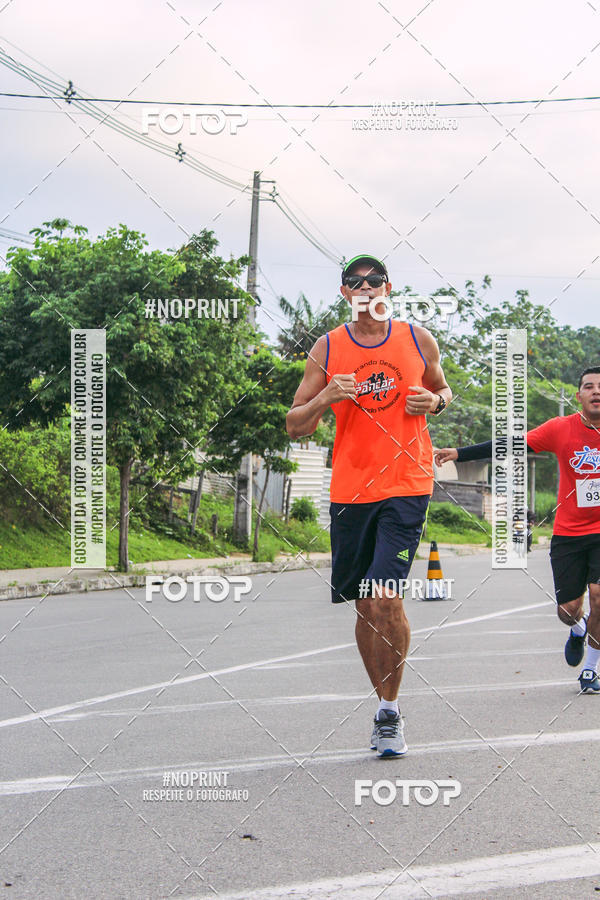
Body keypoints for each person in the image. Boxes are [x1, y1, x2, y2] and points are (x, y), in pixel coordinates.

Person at [286, 254, 452, 756]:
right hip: (352, 492)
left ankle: (389, 713)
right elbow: (295, 424)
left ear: (388, 287)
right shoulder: (328, 347)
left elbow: (443, 389)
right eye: (355, 282)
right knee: (364, 604)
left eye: (373, 280)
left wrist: (437, 402)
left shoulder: (417, 338)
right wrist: (325, 398)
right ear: (344, 293)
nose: (365, 287)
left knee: (385, 598)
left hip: (407, 484)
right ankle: (382, 702)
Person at [434, 366, 600, 692]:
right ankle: (578, 627)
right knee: (567, 611)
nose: (596, 391)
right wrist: (459, 453)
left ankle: (592, 670)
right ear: (578, 395)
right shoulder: (560, 428)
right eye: (589, 386)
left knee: (599, 595)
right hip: (568, 533)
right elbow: (511, 444)